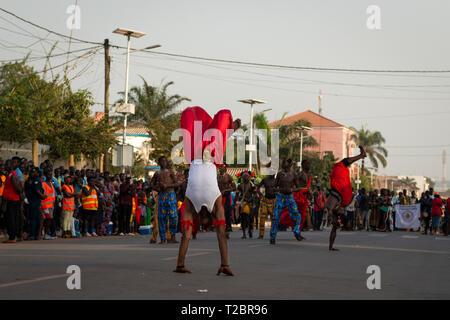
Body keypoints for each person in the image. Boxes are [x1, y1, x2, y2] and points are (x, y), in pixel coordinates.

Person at [175, 106, 239, 276]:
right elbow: (221, 236)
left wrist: (180, 264)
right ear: (209, 222)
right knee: (224, 116)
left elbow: (186, 236)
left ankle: (181, 264)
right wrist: (225, 264)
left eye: (202, 225)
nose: (204, 225)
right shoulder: (216, 204)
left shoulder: (190, 206)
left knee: (190, 114)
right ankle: (221, 264)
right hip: (211, 156)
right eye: (206, 225)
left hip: (195, 154)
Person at [325, 146, 367, 251]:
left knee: (342, 164)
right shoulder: (341, 206)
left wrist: (331, 217)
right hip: (341, 187)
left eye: (342, 211)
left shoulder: (333, 205)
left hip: (338, 188)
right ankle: (362, 155)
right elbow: (332, 212)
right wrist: (335, 220)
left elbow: (329, 209)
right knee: (343, 164)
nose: (343, 211)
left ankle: (330, 246)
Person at [270, 158, 304, 245]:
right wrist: (275, 189)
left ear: (289, 164)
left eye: (284, 162)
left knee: (296, 214)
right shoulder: (279, 174)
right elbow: (274, 186)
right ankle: (272, 237)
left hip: (290, 197)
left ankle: (296, 231)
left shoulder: (293, 174)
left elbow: (298, 187)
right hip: (280, 196)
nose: (282, 164)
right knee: (276, 216)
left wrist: (292, 190)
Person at [154, 156, 179, 244]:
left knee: (173, 216)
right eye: (161, 161)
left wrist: (167, 186)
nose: (163, 163)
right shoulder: (157, 173)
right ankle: (163, 238)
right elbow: (151, 184)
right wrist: (158, 189)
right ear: (159, 163)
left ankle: (173, 236)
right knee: (161, 217)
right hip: (161, 196)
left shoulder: (171, 172)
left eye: (165, 161)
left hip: (171, 195)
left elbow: (177, 184)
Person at [2, 157, 24, 243]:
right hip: (11, 199)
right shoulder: (10, 174)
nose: (5, 166)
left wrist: (20, 194)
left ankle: (12, 237)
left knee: (12, 219)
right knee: (12, 218)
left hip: (12, 200)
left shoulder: (13, 175)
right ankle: (13, 236)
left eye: (7, 164)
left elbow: (18, 187)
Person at [255, 167, 277, 239]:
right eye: (271, 171)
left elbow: (280, 188)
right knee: (262, 218)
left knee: (273, 218)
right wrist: (260, 194)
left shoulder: (276, 181)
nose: (272, 173)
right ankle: (261, 235)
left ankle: (273, 234)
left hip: (274, 200)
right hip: (265, 200)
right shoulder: (265, 180)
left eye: (274, 171)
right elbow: (257, 187)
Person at [217, 164, 236, 239]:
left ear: (225, 169)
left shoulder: (228, 177)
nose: (220, 169)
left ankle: (227, 230)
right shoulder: (217, 176)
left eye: (221, 168)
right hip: (219, 197)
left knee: (226, 213)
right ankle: (220, 229)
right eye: (219, 168)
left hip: (226, 197)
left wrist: (226, 190)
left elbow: (234, 187)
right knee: (218, 213)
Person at [294, 160, 312, 234]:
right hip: (299, 195)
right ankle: (297, 228)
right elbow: (295, 183)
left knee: (303, 214)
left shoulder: (309, 175)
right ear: (303, 165)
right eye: (307, 164)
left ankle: (299, 229)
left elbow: (307, 187)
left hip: (305, 195)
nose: (309, 165)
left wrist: (309, 193)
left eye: (309, 164)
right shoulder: (300, 174)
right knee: (297, 213)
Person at [236, 171, 256, 239]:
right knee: (243, 218)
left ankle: (250, 230)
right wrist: (237, 201)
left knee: (251, 218)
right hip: (243, 203)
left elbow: (255, 194)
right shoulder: (240, 185)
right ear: (242, 178)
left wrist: (251, 199)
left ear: (249, 177)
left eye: (247, 176)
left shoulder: (252, 185)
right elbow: (237, 194)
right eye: (244, 176)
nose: (245, 177)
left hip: (250, 202)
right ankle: (244, 233)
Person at [40, 169, 56, 240]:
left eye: (51, 174)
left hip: (51, 205)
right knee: (47, 219)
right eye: (49, 174)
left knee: (49, 219)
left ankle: (46, 233)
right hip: (45, 205)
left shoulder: (51, 183)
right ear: (46, 175)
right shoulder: (43, 183)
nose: (50, 176)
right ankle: (45, 234)